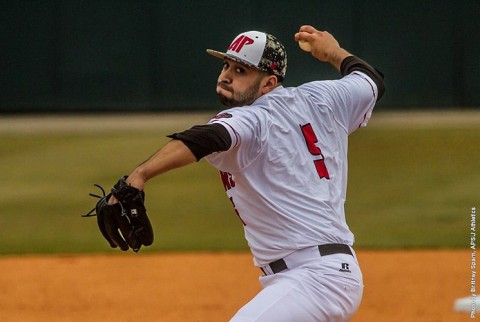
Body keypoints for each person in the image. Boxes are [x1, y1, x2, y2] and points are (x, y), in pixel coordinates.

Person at [116, 25, 385, 321]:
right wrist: (334, 53)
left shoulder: (253, 118)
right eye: (226, 65)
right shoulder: (324, 97)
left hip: (314, 280)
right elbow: (370, 81)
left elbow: (207, 137)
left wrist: (138, 176)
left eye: (242, 70)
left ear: (269, 83)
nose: (227, 75)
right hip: (322, 275)